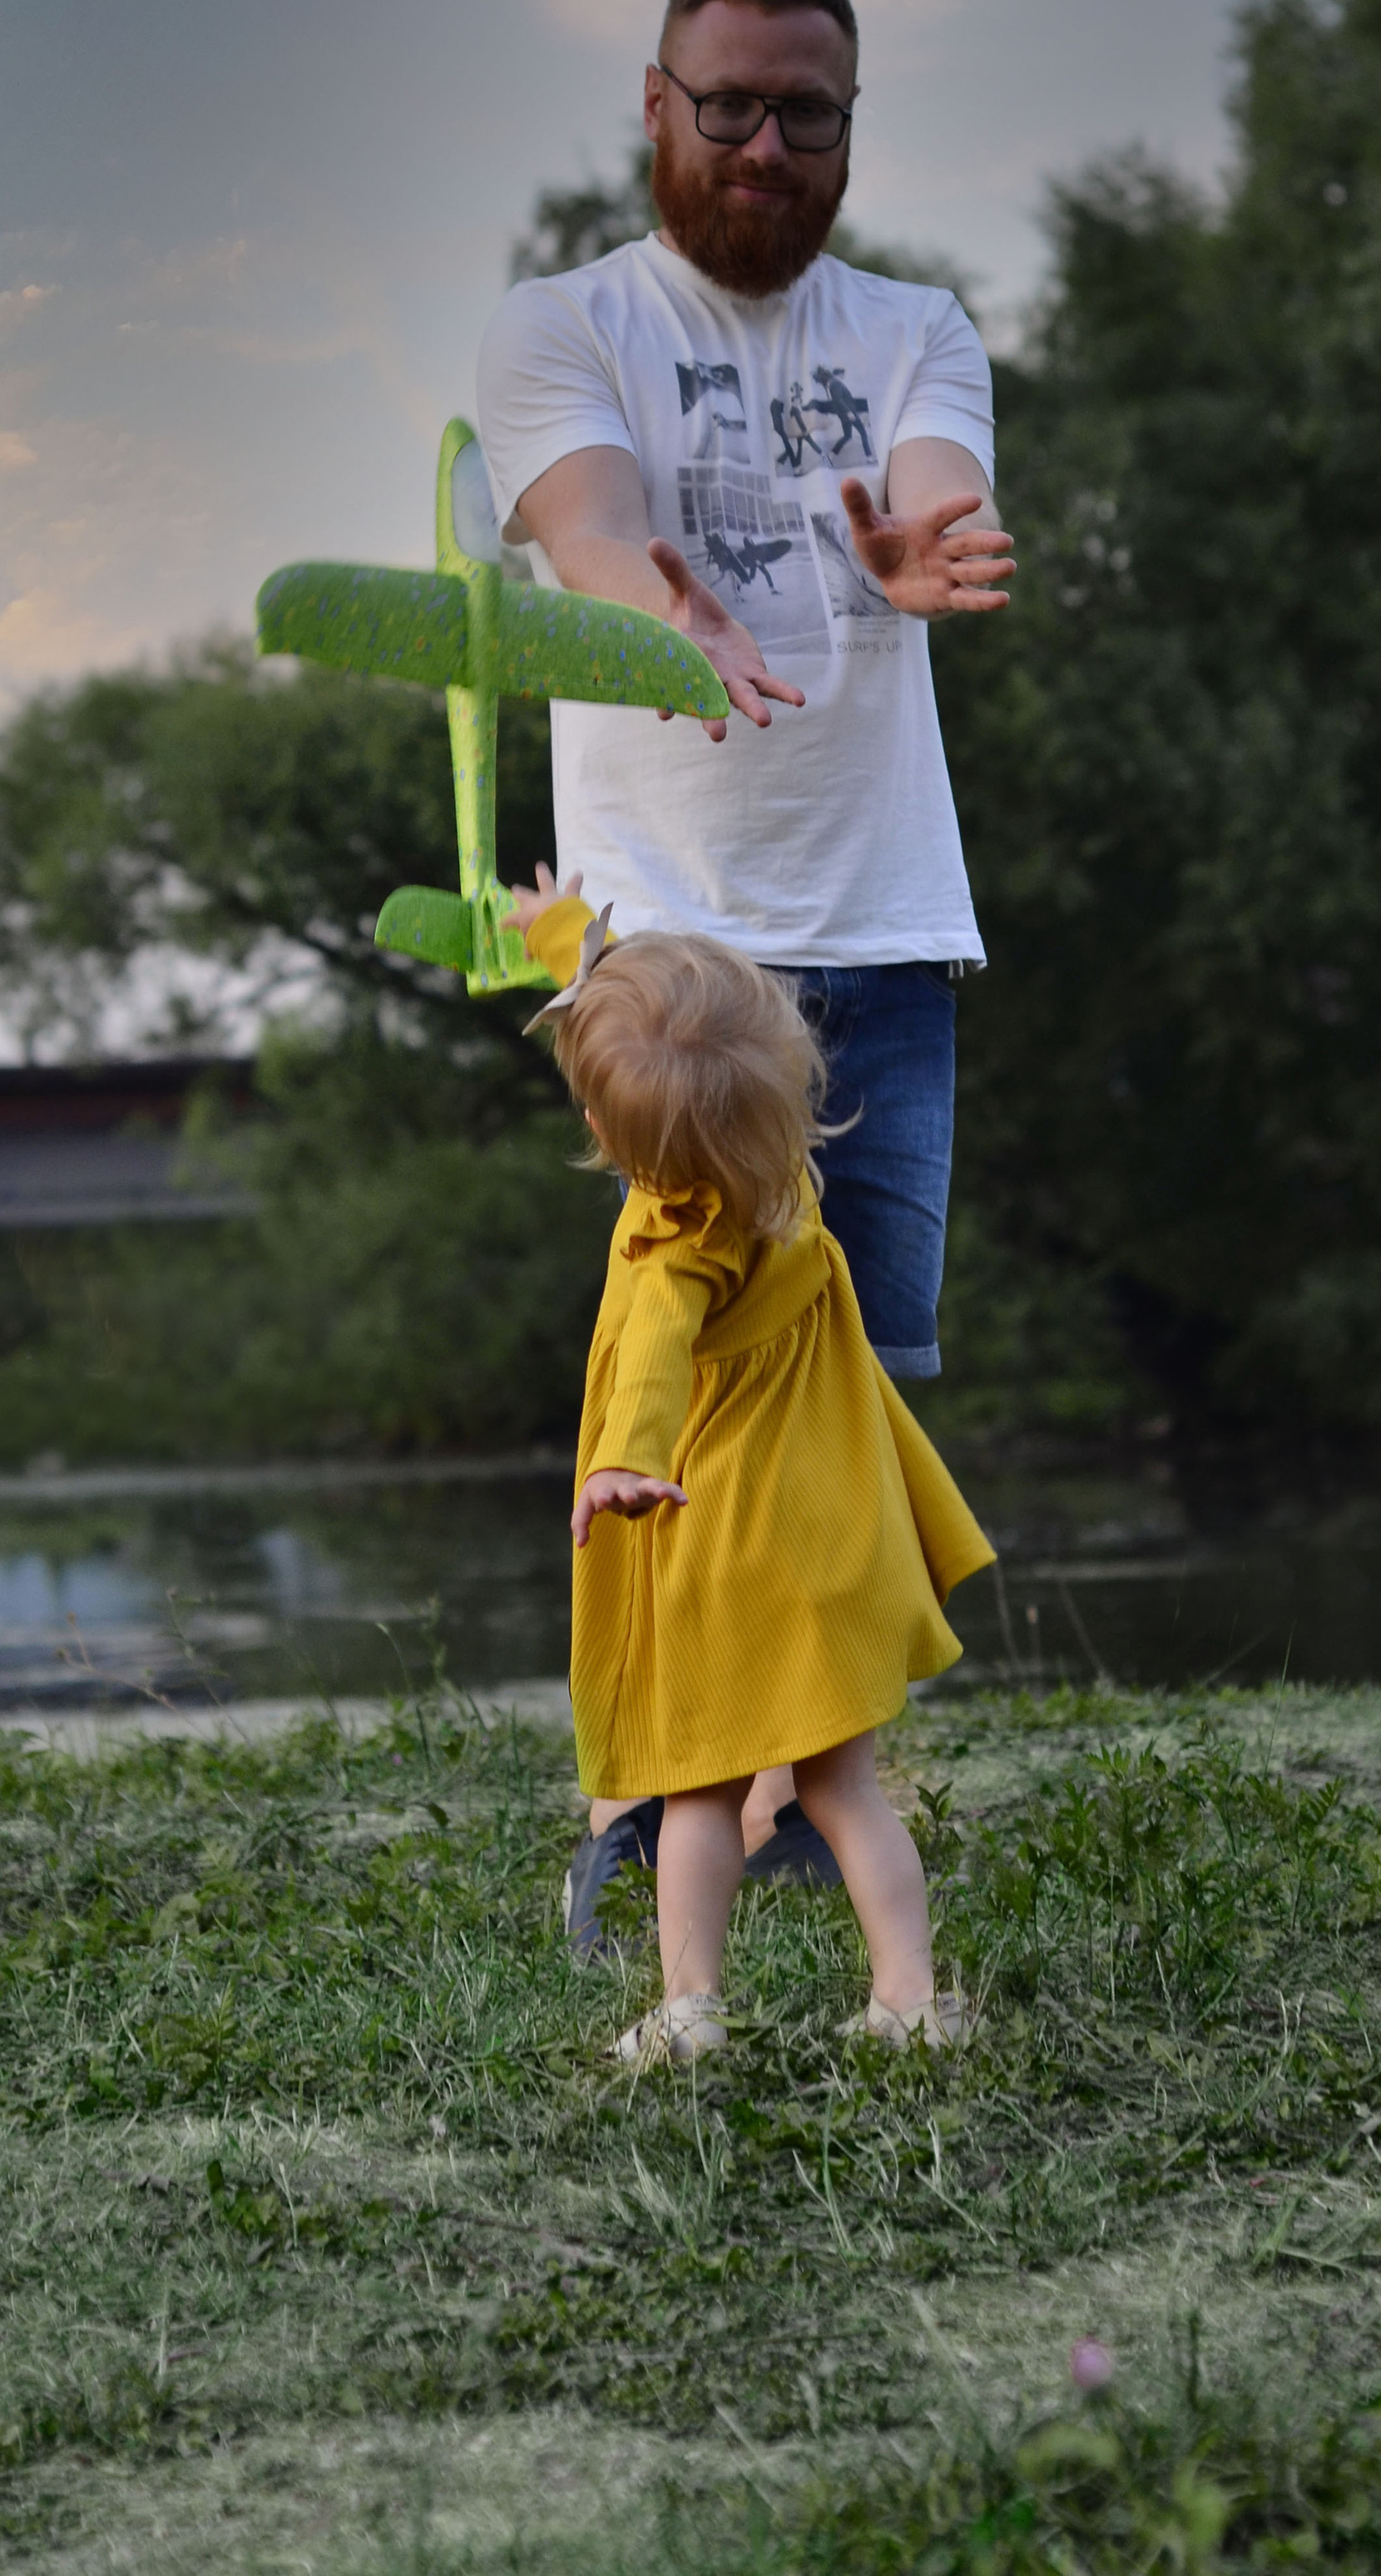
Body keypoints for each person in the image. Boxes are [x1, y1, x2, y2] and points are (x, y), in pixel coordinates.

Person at [475, 0, 1012, 1910]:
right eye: (728, 108)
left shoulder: (915, 327)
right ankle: (651, 1793)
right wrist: (655, 608)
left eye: (806, 113)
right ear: (657, 106)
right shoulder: (560, 324)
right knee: (679, 1361)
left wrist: (922, 542)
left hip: (879, 924)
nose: (765, 145)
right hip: (671, 954)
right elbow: (585, 519)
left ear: (849, 127)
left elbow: (936, 478)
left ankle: (794, 1797)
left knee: (860, 1376)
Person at [512, 868, 996, 2065]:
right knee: (846, 1791)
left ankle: (691, 2007)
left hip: (729, 1550)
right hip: (830, 1533)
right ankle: (909, 2000)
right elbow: (661, 1036)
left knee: (700, 1797)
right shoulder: (789, 1180)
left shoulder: (670, 1238)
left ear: (609, 1141)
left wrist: (621, 1463)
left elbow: (651, 1366)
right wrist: (569, 942)